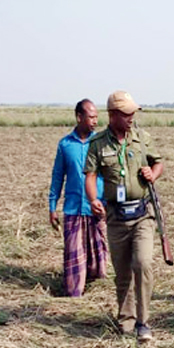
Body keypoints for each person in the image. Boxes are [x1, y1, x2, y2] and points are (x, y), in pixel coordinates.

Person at [85, 91, 164, 341]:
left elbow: (158, 163)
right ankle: (126, 319)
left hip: (143, 214)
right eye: (127, 114)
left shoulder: (142, 139)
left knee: (143, 263)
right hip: (117, 217)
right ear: (113, 115)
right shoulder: (98, 144)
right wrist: (93, 199)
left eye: (133, 113)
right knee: (122, 273)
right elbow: (90, 175)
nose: (132, 118)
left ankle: (143, 321)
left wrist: (153, 173)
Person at [49, 99, 108, 297]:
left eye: (96, 117)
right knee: (74, 254)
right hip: (73, 208)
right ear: (79, 117)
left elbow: (111, 174)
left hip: (98, 208)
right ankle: (74, 294)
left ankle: (96, 289)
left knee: (97, 255)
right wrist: (52, 206)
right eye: (91, 117)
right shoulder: (65, 145)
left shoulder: (101, 142)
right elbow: (58, 177)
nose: (95, 121)